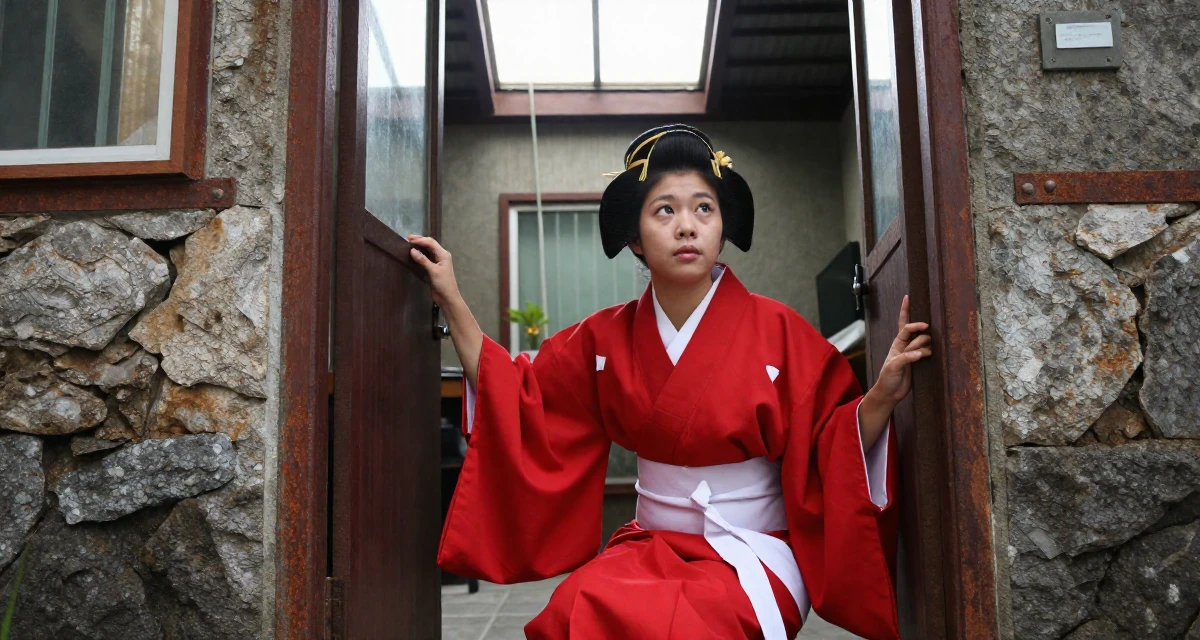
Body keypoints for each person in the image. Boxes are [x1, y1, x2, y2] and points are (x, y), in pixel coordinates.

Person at [409, 124, 931, 640]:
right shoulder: (603, 339)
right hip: (649, 543)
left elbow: (830, 442)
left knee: (682, 628)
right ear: (634, 237)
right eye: (666, 210)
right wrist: (453, 300)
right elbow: (518, 395)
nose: (688, 226)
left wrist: (880, 396)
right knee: (575, 611)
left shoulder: (780, 332)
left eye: (704, 208)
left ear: (722, 227)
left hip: (752, 546)